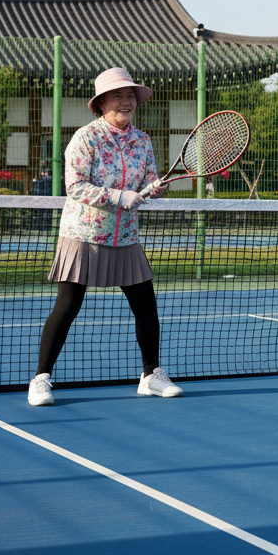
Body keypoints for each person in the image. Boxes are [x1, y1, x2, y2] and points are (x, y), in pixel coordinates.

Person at [28, 68, 182, 406]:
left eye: (130, 96)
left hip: (126, 236)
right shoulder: (85, 138)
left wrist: (155, 188)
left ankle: (151, 375)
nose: (126, 102)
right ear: (101, 103)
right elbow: (76, 186)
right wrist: (119, 196)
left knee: (146, 306)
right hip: (84, 233)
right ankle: (40, 378)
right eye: (118, 96)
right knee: (68, 306)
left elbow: (150, 177)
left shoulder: (142, 140)